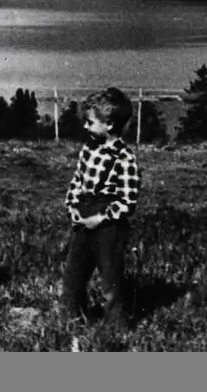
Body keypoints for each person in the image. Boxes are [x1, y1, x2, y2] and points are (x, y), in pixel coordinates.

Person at [61, 87, 141, 329]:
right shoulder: (88, 149)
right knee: (74, 271)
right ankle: (71, 318)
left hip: (109, 226)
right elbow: (78, 180)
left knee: (110, 277)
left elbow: (127, 201)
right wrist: (72, 205)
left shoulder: (124, 159)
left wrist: (101, 218)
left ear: (110, 124)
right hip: (83, 216)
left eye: (90, 122)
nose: (85, 127)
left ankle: (117, 326)